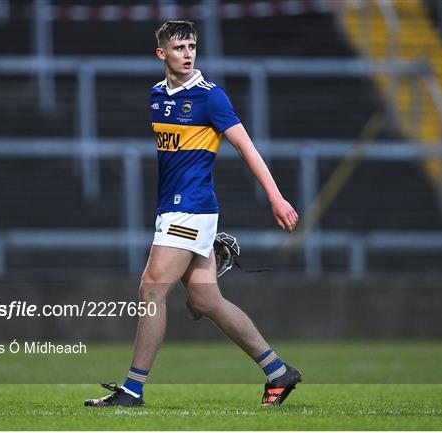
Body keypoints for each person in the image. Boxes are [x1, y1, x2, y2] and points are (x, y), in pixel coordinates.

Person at [85, 20, 301, 408]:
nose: (187, 54)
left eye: (192, 46)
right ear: (161, 53)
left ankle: (132, 391)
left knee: (151, 288)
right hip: (174, 210)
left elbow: (246, 148)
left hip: (190, 210)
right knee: (204, 301)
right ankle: (277, 371)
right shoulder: (156, 96)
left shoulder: (210, 97)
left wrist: (276, 197)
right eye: (179, 47)